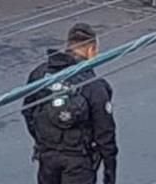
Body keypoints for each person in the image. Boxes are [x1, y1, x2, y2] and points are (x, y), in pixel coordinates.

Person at [22, 23, 118, 184]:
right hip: (79, 161)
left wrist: (42, 141)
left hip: (47, 157)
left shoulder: (40, 74)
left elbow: (28, 111)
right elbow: (105, 134)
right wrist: (110, 172)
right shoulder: (94, 85)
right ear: (91, 50)